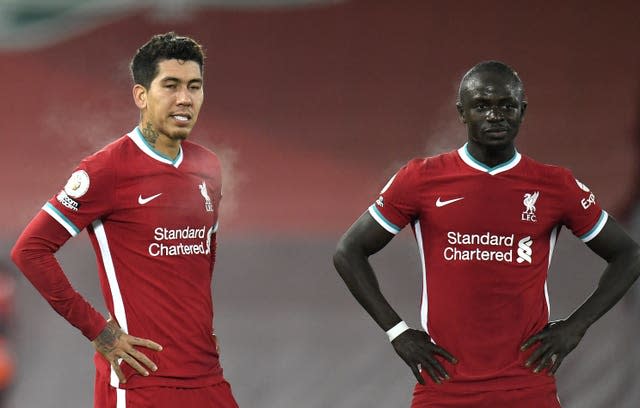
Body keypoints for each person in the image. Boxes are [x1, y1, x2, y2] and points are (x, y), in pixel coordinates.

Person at [333, 60, 640, 407]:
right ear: (462, 112)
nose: (496, 115)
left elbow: (629, 255)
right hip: (444, 386)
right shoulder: (421, 178)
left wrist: (577, 326)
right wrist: (397, 332)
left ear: (522, 111)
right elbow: (349, 252)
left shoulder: (555, 185)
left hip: (526, 388)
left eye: (506, 105)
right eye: (482, 105)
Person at [11, 32, 239, 408]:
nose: (185, 98)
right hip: (140, 379)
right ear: (141, 95)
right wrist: (98, 331)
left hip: (206, 375)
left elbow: (204, 251)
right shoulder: (107, 169)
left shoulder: (209, 167)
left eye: (194, 86)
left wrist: (202, 327)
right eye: (171, 85)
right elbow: (30, 251)